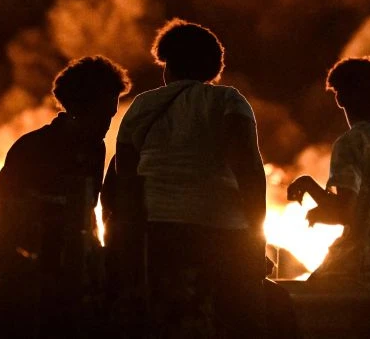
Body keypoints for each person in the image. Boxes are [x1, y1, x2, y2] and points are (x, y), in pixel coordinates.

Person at [114, 19, 266, 338]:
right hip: (222, 232)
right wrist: (256, 236)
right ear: (214, 67)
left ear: (168, 65)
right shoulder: (228, 101)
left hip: (157, 235)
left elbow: (124, 177)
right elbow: (250, 170)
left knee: (167, 323)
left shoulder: (142, 105)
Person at [0, 55, 130, 328]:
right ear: (78, 108)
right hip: (33, 281)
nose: (107, 125)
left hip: (75, 279)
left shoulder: (95, 148)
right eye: (102, 115)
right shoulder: (32, 148)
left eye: (111, 116)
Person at [287, 57, 370, 290]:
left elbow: (345, 213)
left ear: (339, 98)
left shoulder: (349, 143)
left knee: (303, 298)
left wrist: (308, 185)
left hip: (358, 262)